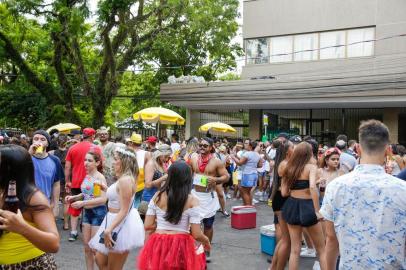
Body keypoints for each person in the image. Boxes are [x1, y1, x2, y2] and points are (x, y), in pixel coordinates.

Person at [321, 120, 406, 269]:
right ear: (387, 150)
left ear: (358, 149)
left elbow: (331, 240)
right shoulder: (402, 189)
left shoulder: (335, 187)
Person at [138, 161, 210, 270]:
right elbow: (196, 234)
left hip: (158, 243)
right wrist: (206, 241)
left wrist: (161, 224)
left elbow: (147, 225)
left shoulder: (157, 196)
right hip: (182, 245)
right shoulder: (192, 200)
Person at [0, 145, 59, 268]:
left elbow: (54, 244)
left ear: (10, 170)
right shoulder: (2, 190)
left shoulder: (33, 197)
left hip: (30, 265)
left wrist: (22, 228)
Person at [89, 147, 145, 270]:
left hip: (120, 224)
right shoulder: (123, 179)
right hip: (111, 219)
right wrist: (105, 188)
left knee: (113, 267)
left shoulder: (125, 180)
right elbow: (118, 195)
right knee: (99, 259)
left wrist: (109, 229)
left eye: (116, 159)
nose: (113, 162)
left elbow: (124, 210)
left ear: (124, 161)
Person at [280, 142, 327, 270]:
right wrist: (317, 211)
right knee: (322, 250)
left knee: (295, 250)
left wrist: (297, 189)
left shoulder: (288, 167)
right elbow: (312, 187)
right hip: (307, 207)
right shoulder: (311, 167)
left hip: (291, 205)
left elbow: (284, 193)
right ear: (309, 153)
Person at [65, 151, 108, 270]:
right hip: (87, 213)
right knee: (87, 247)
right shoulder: (88, 175)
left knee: (95, 249)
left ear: (97, 163)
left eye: (89, 161)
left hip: (98, 213)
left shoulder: (100, 177)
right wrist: (74, 197)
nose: (85, 163)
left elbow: (103, 199)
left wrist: (82, 203)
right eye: (85, 160)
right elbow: (86, 193)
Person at [189, 137, 229, 262]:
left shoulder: (216, 161)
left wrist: (216, 180)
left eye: (205, 146)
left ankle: (206, 250)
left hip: (208, 198)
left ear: (211, 148)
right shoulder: (193, 158)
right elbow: (189, 174)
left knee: (208, 225)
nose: (201, 147)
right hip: (194, 195)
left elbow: (226, 176)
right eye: (200, 145)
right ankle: (192, 249)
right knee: (192, 226)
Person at [65, 127, 102, 242]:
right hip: (92, 181)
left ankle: (73, 232)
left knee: (75, 206)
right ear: (92, 136)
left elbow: (67, 167)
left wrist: (67, 181)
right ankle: (90, 231)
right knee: (92, 204)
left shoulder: (73, 148)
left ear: (82, 135)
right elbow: (101, 165)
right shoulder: (96, 148)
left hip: (76, 182)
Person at [269, 140, 294, 270]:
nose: (294, 149)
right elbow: (284, 190)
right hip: (282, 200)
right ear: (287, 151)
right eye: (293, 147)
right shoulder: (285, 164)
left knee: (285, 239)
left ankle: (273, 267)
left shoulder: (284, 163)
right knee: (287, 240)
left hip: (279, 201)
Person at [29, 130, 64, 217]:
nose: (39, 141)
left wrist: (56, 206)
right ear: (32, 141)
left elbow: (56, 184)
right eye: (36, 139)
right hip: (26, 204)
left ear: (48, 143)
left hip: (45, 204)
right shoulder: (26, 157)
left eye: (42, 139)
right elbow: (17, 173)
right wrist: (29, 153)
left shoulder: (54, 160)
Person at [139, 144, 172, 218]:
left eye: (168, 157)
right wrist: (162, 178)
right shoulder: (151, 164)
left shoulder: (161, 163)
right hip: (149, 197)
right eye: (165, 156)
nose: (167, 159)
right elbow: (147, 184)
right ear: (160, 154)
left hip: (157, 196)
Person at [231, 139, 262, 205]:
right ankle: (247, 206)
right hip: (254, 174)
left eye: (247, 144)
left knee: (244, 192)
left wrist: (233, 157)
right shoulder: (257, 154)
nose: (246, 145)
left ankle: (248, 207)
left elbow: (239, 163)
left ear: (250, 146)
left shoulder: (247, 154)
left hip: (247, 175)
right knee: (248, 191)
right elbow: (260, 165)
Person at [49, 134, 70, 230]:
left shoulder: (51, 153)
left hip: (55, 181)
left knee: (54, 202)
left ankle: (52, 225)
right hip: (66, 180)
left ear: (57, 142)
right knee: (66, 203)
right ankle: (66, 224)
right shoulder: (70, 152)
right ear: (67, 141)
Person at [127, 132, 151, 209]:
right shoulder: (147, 153)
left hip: (128, 180)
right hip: (141, 182)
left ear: (131, 142)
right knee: (137, 201)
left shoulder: (127, 153)